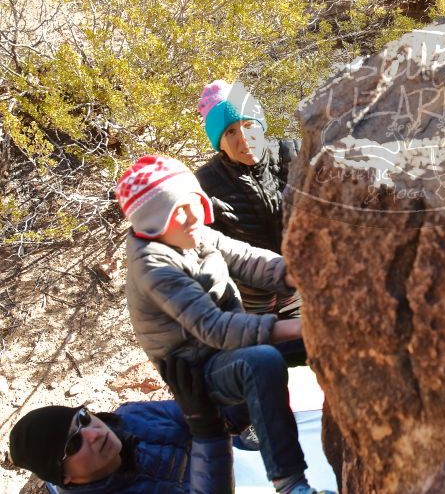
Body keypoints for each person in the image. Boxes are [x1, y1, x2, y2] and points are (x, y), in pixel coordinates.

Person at [115, 155, 331, 494]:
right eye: (175, 213)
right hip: (201, 370)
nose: (190, 218)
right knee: (261, 363)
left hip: (229, 344)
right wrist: (305, 326)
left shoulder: (191, 233)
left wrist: (305, 275)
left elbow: (247, 258)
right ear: (151, 225)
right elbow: (213, 328)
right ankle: (290, 483)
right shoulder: (153, 268)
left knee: (325, 340)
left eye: (192, 205)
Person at [8, 356, 235, 493]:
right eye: (73, 444)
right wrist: (211, 433)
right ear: (63, 477)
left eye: (83, 418)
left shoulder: (133, 416)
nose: (93, 434)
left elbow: (204, 413)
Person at [195, 79, 302, 317]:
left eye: (249, 125)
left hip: (301, 279)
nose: (243, 138)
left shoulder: (296, 154)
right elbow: (202, 245)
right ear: (218, 142)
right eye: (231, 131)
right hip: (251, 292)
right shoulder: (206, 182)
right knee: (266, 341)